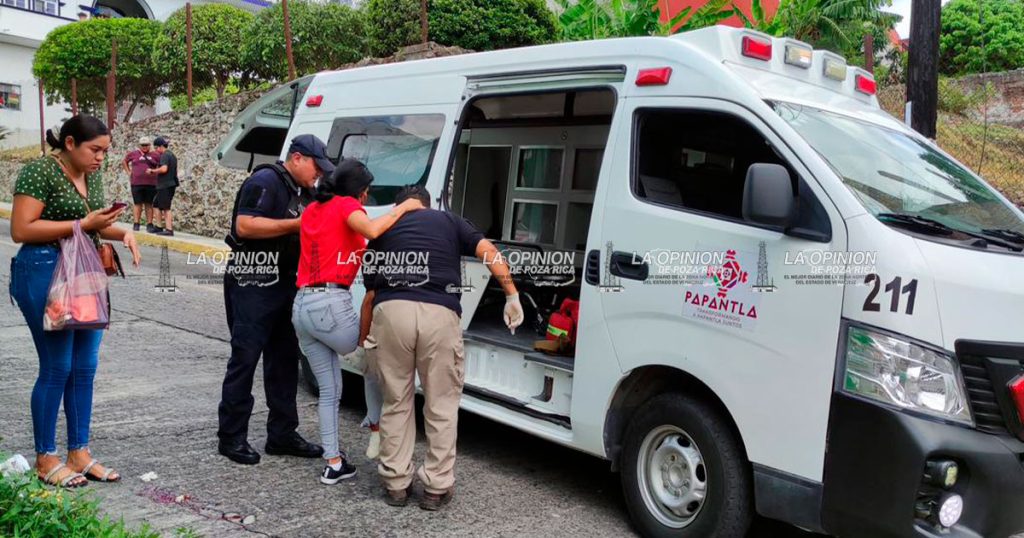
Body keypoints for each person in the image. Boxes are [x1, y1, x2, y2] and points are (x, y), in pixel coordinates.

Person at [360, 185, 523, 510]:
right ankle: (435, 488)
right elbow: (489, 252)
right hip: (440, 313)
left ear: (400, 205)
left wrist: (363, 339)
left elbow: (370, 293)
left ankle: (396, 483)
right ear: (428, 205)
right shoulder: (450, 221)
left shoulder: (386, 226)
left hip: (392, 312)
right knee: (441, 404)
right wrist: (511, 294)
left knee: (396, 401)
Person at [9, 115, 141, 488]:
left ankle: (79, 453)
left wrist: (121, 231)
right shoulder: (40, 172)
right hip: (45, 270)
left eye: (105, 151)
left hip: (83, 273)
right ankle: (45, 457)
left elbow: (89, 222)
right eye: (94, 150)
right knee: (57, 366)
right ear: (69, 143)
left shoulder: (92, 173)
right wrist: (84, 225)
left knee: (85, 366)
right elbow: (22, 228)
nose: (101, 158)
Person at [291, 159, 424, 484]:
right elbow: (373, 230)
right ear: (358, 193)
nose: (365, 199)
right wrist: (405, 208)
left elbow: (343, 245)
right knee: (370, 352)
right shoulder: (346, 205)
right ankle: (377, 425)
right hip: (329, 304)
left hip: (302, 307)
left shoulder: (312, 210)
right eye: (365, 193)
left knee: (330, 390)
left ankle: (333, 463)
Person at [217, 134, 334, 465]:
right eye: (316, 166)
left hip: (286, 282)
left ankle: (282, 434)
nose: (319, 174)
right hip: (253, 279)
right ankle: (231, 437)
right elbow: (245, 226)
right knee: (245, 357)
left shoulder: (307, 191)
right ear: (296, 158)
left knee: (284, 360)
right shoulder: (266, 180)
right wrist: (299, 224)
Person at [122, 136, 159, 232]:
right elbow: (124, 161)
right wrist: (129, 172)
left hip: (151, 183)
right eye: (143, 145)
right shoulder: (133, 154)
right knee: (137, 203)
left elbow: (160, 165)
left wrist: (155, 172)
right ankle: (136, 223)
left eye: (146, 145)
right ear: (139, 145)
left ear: (149, 145)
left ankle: (149, 223)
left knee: (149, 204)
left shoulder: (155, 155)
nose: (144, 147)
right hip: (136, 183)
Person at [148, 136, 178, 237]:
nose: (156, 150)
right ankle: (159, 226)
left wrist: (153, 171)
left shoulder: (165, 155)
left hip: (166, 185)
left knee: (166, 207)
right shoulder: (172, 155)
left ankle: (169, 229)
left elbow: (164, 169)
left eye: (156, 147)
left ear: (161, 146)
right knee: (156, 204)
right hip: (167, 184)